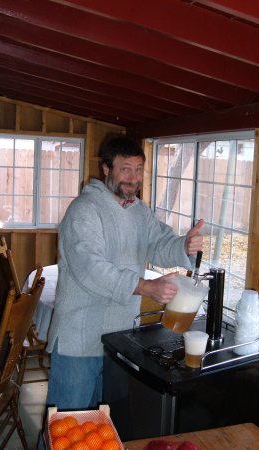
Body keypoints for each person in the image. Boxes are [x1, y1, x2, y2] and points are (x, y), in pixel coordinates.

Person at [43, 134, 203, 417]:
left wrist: (183, 245)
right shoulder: (84, 210)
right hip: (79, 340)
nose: (134, 177)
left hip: (118, 339)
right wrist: (144, 287)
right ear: (106, 169)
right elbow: (91, 269)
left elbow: (158, 243)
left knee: (104, 430)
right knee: (67, 428)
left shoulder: (138, 210)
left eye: (139, 169)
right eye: (125, 169)